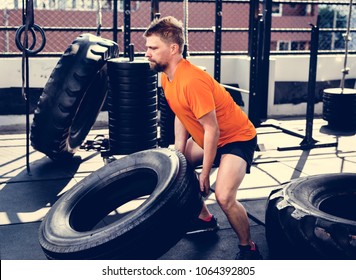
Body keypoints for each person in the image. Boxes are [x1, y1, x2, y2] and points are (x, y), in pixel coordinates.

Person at [143, 16, 262, 260]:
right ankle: (205, 218)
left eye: (153, 48)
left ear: (173, 48)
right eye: (147, 48)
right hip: (207, 136)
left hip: (236, 138)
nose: (147, 53)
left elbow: (213, 130)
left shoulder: (192, 80)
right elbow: (180, 115)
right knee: (179, 168)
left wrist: (206, 172)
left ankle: (248, 247)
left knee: (225, 196)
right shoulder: (167, 76)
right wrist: (178, 153)